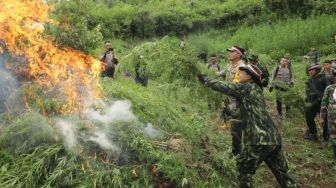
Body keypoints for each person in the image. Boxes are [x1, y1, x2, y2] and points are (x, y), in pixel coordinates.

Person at [198, 64, 297, 188]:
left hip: (259, 138)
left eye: (242, 73)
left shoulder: (247, 88)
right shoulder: (256, 90)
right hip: (273, 138)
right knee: (283, 173)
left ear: (249, 76)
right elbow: (247, 112)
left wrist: (206, 79)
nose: (239, 74)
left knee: (242, 169)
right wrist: (230, 112)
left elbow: (225, 87)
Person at [222, 45, 246, 156]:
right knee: (234, 127)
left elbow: (236, 85)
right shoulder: (230, 65)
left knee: (236, 128)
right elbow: (222, 75)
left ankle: (236, 154)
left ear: (238, 54)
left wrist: (216, 85)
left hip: (237, 102)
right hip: (229, 100)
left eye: (231, 51)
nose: (229, 53)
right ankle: (236, 150)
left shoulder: (241, 67)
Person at [305, 63, 329, 141]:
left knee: (324, 120)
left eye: (312, 70)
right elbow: (308, 91)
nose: (310, 71)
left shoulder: (323, 78)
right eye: (309, 70)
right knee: (309, 117)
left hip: (322, 103)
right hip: (312, 102)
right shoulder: (309, 79)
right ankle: (313, 134)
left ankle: (326, 138)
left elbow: (328, 90)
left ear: (317, 70)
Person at [320, 68, 336, 165]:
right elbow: (324, 103)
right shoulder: (329, 88)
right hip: (332, 118)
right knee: (334, 138)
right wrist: (322, 117)